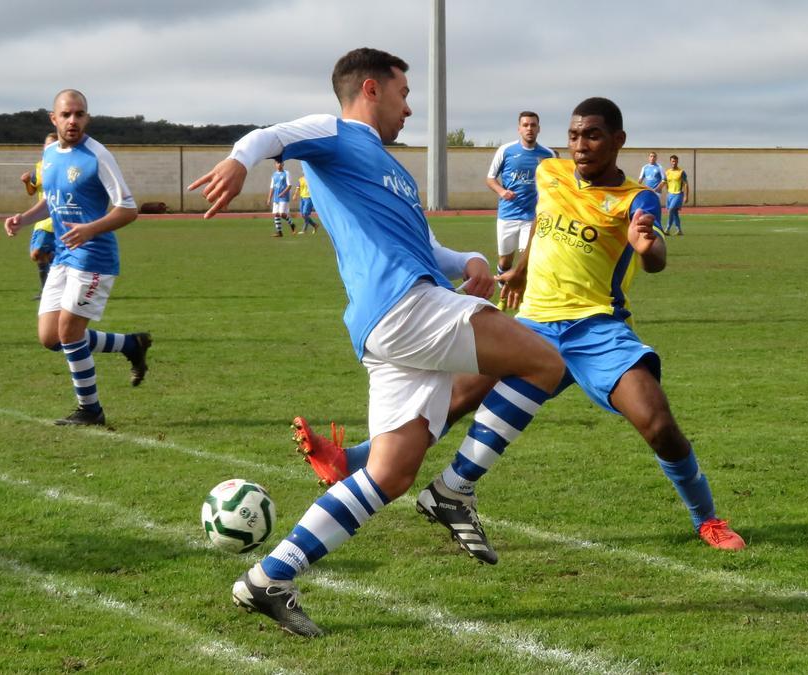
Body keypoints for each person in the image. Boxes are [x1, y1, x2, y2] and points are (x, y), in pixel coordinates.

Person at [188, 47, 566, 637]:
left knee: (390, 474)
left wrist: (464, 257)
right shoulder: (335, 133)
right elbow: (267, 135)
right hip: (405, 307)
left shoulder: (394, 171)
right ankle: (456, 490)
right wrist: (240, 162)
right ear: (371, 88)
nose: (409, 108)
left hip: (390, 321)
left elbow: (421, 248)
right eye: (404, 94)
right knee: (545, 361)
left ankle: (269, 578)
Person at [294, 97, 746, 554]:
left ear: (618, 141)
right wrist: (525, 269)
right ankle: (352, 460)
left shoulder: (635, 197)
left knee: (656, 422)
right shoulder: (550, 173)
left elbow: (654, 253)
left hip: (596, 329)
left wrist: (647, 247)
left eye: (592, 135)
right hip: (534, 323)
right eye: (573, 136)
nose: (580, 145)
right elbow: (542, 226)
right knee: (451, 400)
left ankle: (707, 519)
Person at [3, 89, 152, 426]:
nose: (73, 121)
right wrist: (23, 218)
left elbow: (128, 209)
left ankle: (91, 410)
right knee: (50, 338)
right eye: (66, 115)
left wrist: (90, 229)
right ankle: (131, 344)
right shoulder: (51, 155)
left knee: (69, 333)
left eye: (79, 114)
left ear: (87, 117)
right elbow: (51, 199)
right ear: (53, 119)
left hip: (94, 257)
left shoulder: (97, 155)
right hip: (63, 256)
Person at [485, 112, 557, 308]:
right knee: (505, 261)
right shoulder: (506, 151)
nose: (529, 128)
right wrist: (501, 191)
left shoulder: (548, 155)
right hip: (507, 215)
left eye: (533, 125)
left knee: (530, 260)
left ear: (538, 129)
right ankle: (503, 297)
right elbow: (490, 178)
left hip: (532, 218)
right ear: (519, 128)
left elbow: (555, 183)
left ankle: (526, 300)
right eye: (525, 125)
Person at [20, 132, 59, 298]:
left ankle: (48, 292)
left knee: (39, 253)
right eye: (46, 144)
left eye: (52, 144)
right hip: (42, 217)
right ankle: (48, 290)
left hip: (57, 217)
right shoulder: (39, 167)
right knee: (37, 255)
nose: (47, 147)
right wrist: (27, 182)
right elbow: (32, 191)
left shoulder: (62, 166)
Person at [267, 160, 295, 236]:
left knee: (282, 214)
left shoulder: (286, 173)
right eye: (277, 163)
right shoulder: (274, 175)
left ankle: (292, 224)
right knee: (276, 214)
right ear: (275, 165)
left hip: (284, 197)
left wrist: (282, 193)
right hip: (276, 197)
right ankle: (279, 232)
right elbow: (272, 187)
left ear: (283, 164)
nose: (278, 164)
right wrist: (269, 198)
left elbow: (289, 185)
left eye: (280, 163)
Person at [664, 154, 689, 235]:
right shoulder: (667, 172)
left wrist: (686, 196)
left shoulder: (681, 172)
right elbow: (665, 182)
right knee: (674, 212)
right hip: (670, 195)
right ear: (670, 162)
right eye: (672, 161)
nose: (674, 163)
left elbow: (686, 184)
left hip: (678, 194)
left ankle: (667, 229)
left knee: (671, 209)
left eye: (675, 161)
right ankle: (679, 230)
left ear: (677, 161)